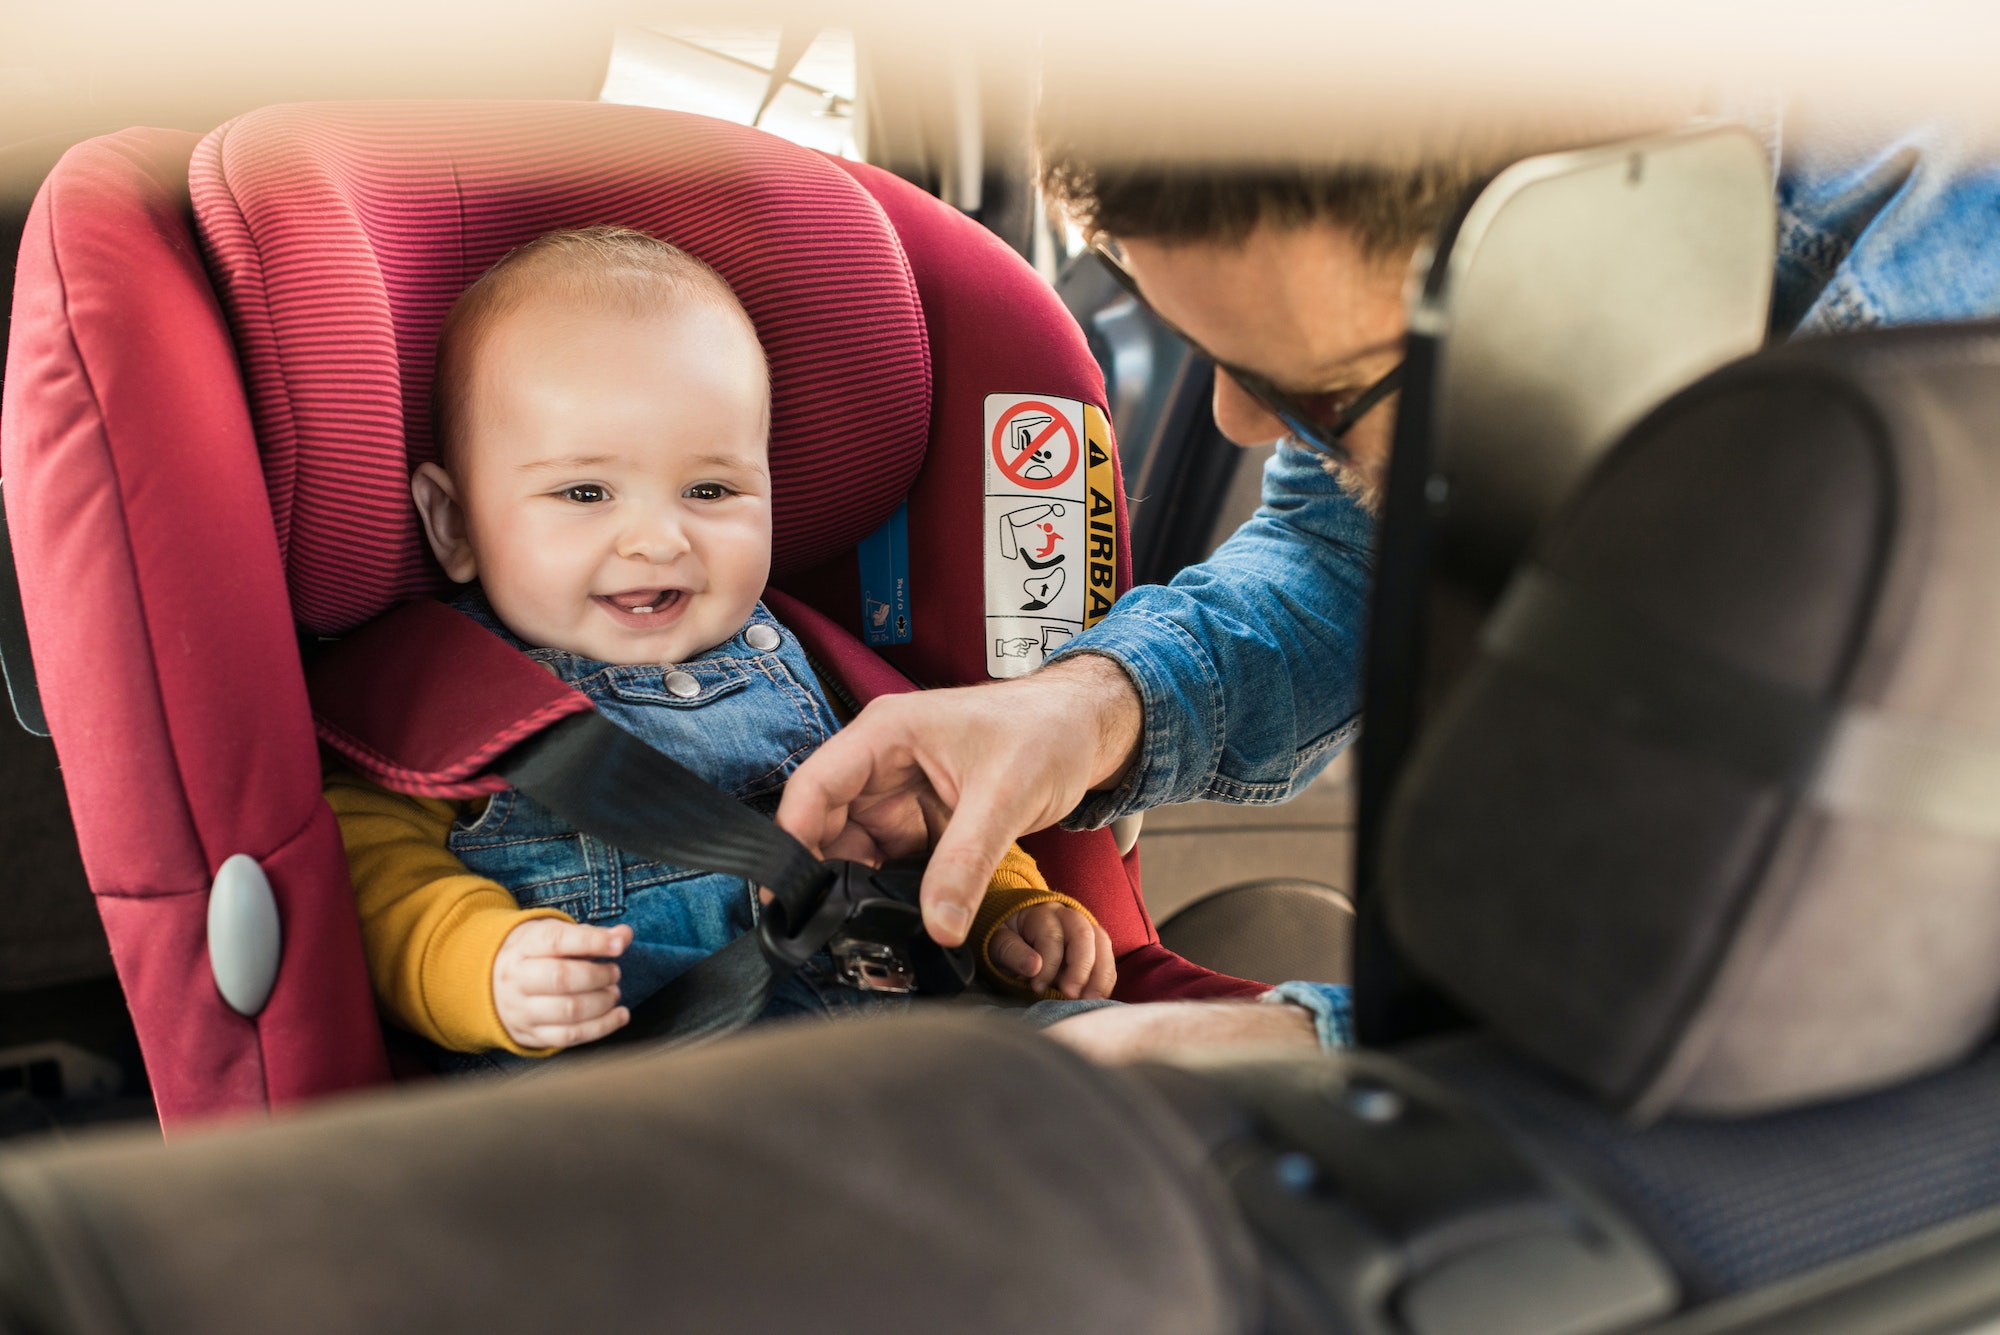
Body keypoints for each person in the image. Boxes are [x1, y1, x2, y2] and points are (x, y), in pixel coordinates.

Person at [777, 118, 2000, 1060]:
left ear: (1588, 256)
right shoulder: (1451, 271)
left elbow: (1803, 974)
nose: (1232, 420)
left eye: (1312, 395)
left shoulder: (1930, 376)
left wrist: (1309, 1047)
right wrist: (1086, 706)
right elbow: (1341, 552)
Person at [324, 226, 1116, 1060]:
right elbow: (371, 875)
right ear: (455, 524)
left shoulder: (812, 667)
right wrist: (481, 964)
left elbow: (933, 815)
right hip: (657, 1088)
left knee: (1137, 1056)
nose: (658, 539)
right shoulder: (445, 703)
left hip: (906, 1044)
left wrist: (1008, 912)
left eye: (710, 488)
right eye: (585, 491)